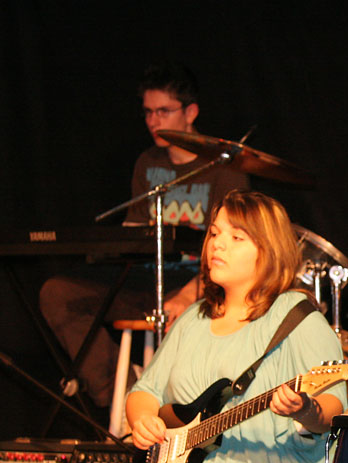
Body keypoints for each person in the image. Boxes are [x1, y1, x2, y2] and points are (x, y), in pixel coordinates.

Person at [127, 190, 345, 463]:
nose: (217, 245)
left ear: (269, 248)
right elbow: (144, 391)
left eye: (236, 236)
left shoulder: (298, 318)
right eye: (214, 233)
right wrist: (143, 420)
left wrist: (306, 408)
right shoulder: (193, 319)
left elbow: (333, 410)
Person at [39, 61, 248, 409]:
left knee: (190, 312)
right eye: (149, 112)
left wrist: (189, 293)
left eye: (164, 111)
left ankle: (178, 409)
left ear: (190, 112)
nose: (153, 121)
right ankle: (125, 398)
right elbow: (136, 237)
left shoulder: (223, 169)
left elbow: (233, 252)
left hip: (201, 284)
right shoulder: (147, 162)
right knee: (58, 294)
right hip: (146, 279)